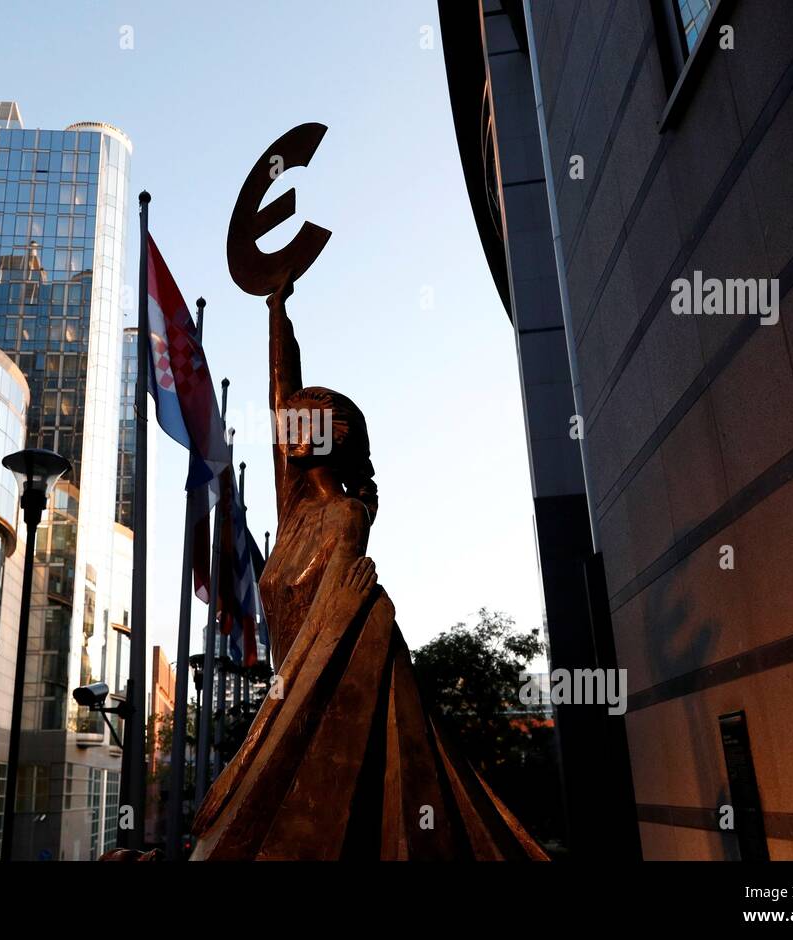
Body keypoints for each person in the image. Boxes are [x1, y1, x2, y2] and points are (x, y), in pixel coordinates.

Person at [190, 274, 547, 861]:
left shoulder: (344, 517)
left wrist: (262, 739)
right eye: (290, 424)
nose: (289, 430)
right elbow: (281, 391)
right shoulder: (297, 509)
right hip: (292, 702)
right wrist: (278, 312)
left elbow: (327, 634)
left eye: (306, 422)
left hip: (320, 702)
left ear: (339, 437)